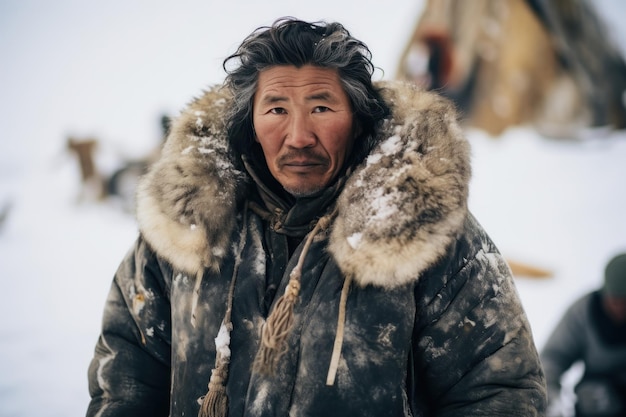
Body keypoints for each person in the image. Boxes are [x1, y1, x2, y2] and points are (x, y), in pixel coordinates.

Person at [86, 17, 546, 417]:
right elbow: (124, 379)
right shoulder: (185, 228)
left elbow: (497, 390)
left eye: (321, 108)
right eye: (277, 109)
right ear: (250, 121)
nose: (299, 136)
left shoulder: (424, 232)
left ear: (358, 118)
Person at [541, 253, 626, 417]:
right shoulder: (583, 312)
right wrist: (551, 399)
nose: (620, 308)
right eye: (615, 300)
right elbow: (551, 359)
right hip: (593, 402)